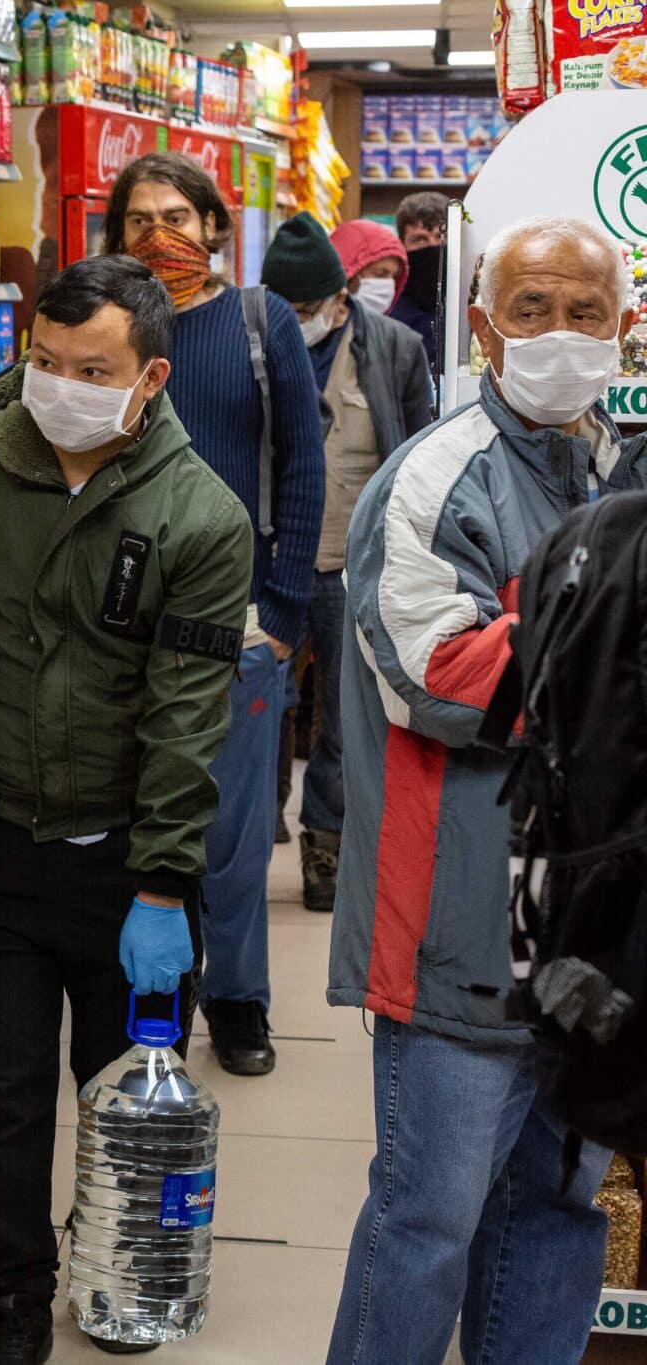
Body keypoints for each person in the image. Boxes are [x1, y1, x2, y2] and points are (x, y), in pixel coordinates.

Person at [0, 256, 251, 1365]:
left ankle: (114, 1270)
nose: (58, 386)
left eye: (91, 370)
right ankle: (11, 1301)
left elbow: (187, 720)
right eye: (43, 361)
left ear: (149, 379)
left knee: (122, 1094)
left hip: (128, 852)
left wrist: (162, 887)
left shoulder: (199, 516)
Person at [327, 214, 635, 1365]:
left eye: (584, 315)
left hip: (587, 931)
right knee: (427, 1221)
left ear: (623, 330)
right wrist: (612, 635)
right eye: (529, 311)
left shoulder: (621, 470)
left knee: (553, 1211)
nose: (558, 335)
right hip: (452, 926)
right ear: (479, 326)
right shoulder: (429, 481)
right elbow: (438, 679)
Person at [103, 152, 326, 1077]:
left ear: (213, 228)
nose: (160, 235)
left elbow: (303, 466)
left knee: (231, 832)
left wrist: (283, 610)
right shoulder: (105, 328)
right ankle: (158, 996)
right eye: (139, 218)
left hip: (239, 622)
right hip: (123, 622)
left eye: (179, 216)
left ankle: (237, 999)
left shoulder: (256, 320)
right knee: (141, 823)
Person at [257, 212, 432, 913]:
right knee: (259, 702)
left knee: (340, 712)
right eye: (286, 308)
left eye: (307, 309)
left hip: (351, 565)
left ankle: (324, 845)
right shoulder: (256, 341)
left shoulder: (393, 347)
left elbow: (419, 450)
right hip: (269, 562)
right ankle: (254, 815)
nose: (297, 320)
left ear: (339, 296)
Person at [392, 192, 450, 377]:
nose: (433, 246)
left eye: (441, 237)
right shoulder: (389, 304)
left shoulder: (471, 298)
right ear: (401, 244)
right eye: (420, 239)